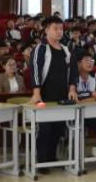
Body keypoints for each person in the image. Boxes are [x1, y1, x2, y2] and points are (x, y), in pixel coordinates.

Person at [29, 17, 79, 173]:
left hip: (62, 96)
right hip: (44, 96)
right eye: (55, 28)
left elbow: (73, 71)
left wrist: (72, 89)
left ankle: (51, 158)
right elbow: (35, 70)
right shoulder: (40, 48)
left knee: (58, 129)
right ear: (46, 30)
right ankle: (41, 161)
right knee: (45, 129)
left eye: (61, 29)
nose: (59, 32)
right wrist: (36, 92)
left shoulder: (66, 49)